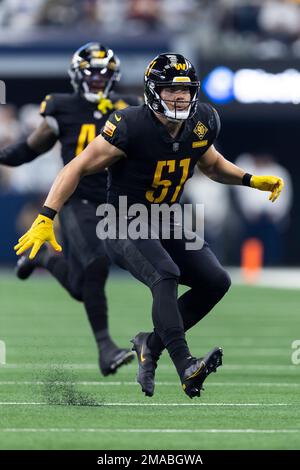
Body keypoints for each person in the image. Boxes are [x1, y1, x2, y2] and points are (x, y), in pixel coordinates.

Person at [13, 53, 284, 398]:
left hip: (166, 218)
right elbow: (75, 167)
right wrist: (45, 217)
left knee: (216, 281)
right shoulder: (129, 125)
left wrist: (249, 179)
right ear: (154, 91)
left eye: (185, 90)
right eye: (171, 89)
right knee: (165, 273)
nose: (180, 97)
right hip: (124, 218)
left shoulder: (203, 120)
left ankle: (149, 345)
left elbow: (212, 164)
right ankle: (186, 364)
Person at [1, 42, 141, 376]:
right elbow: (30, 149)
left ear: (114, 76)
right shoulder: (61, 107)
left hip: (113, 200)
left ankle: (44, 257)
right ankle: (106, 348)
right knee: (95, 263)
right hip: (76, 198)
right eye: (90, 73)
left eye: (102, 73)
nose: (96, 79)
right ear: (77, 76)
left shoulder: (129, 106)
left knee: (82, 286)